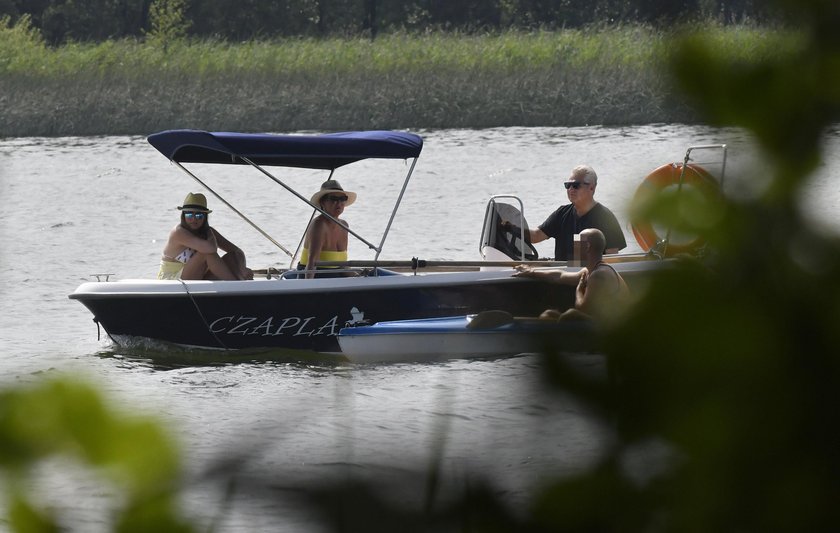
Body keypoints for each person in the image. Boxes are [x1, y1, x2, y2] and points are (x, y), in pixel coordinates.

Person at [507, 165, 626, 261]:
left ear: (592, 188)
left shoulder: (605, 217)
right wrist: (510, 228)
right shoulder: (561, 214)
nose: (570, 189)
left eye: (575, 185)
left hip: (586, 280)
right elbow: (536, 236)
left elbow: (613, 259)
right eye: (568, 185)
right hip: (562, 277)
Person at [514, 228, 629, 321]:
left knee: (570, 314)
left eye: (577, 243)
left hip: (615, 328)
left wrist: (579, 289)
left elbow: (582, 309)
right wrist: (531, 272)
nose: (573, 248)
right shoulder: (590, 271)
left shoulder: (599, 275)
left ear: (587, 247)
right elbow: (559, 276)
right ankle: (520, 323)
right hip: (601, 322)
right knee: (549, 314)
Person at [158, 192, 252, 280]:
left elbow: (237, 252)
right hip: (172, 280)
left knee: (233, 256)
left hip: (197, 276)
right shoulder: (178, 232)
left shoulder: (208, 232)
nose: (194, 219)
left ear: (205, 217)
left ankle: (238, 281)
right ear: (183, 216)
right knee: (205, 253)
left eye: (199, 215)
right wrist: (209, 231)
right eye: (190, 215)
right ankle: (235, 284)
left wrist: (241, 269)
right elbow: (211, 248)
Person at [297, 179, 356, 279]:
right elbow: (312, 263)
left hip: (336, 274)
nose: (339, 203)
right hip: (316, 275)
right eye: (333, 199)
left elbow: (343, 265)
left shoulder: (344, 225)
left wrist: (360, 276)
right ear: (322, 202)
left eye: (342, 198)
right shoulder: (319, 224)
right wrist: (307, 289)